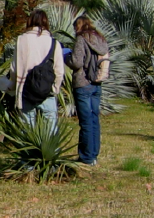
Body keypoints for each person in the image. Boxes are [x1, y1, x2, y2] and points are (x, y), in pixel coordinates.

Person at [65, 15, 111, 166]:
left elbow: (77, 62)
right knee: (94, 119)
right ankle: (94, 154)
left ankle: (86, 157)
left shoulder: (81, 39)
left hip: (83, 82)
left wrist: (66, 58)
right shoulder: (101, 39)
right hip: (97, 82)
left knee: (85, 122)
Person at [12, 9, 65, 125]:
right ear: (46, 22)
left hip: (26, 89)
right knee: (50, 130)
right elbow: (59, 71)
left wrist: (13, 87)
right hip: (47, 91)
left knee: (27, 132)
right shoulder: (53, 43)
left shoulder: (21, 40)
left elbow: (14, 68)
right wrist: (54, 89)